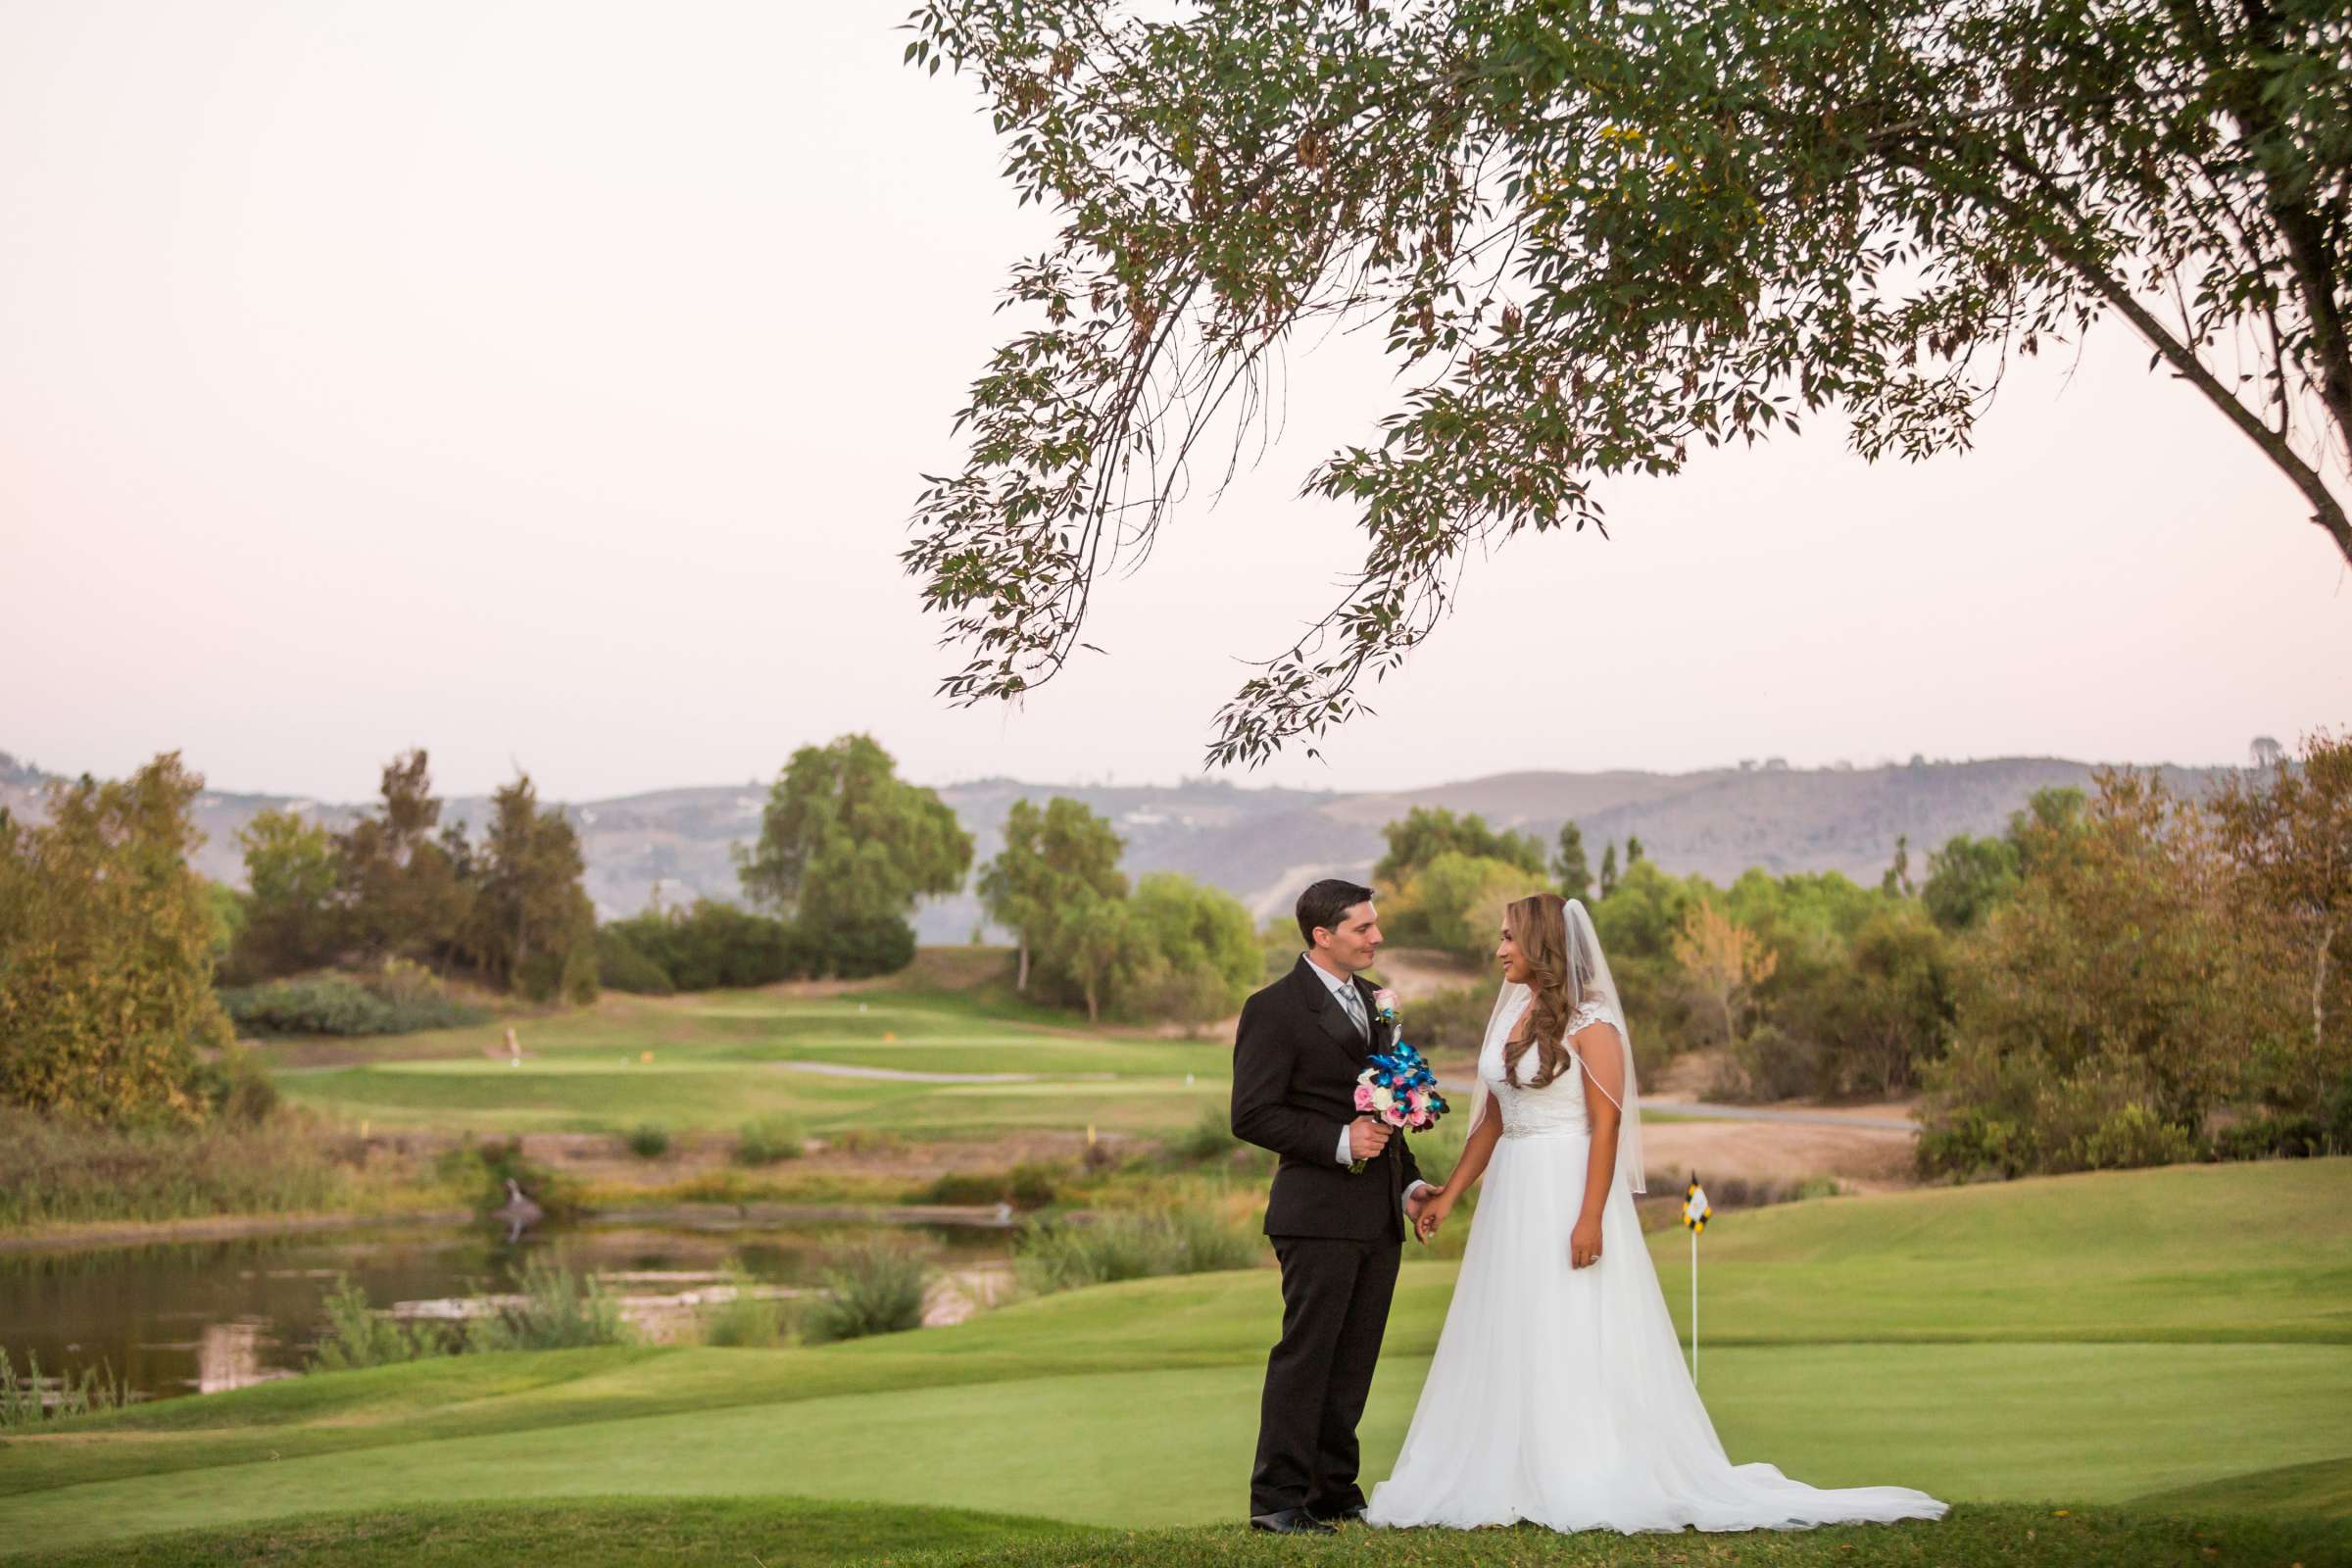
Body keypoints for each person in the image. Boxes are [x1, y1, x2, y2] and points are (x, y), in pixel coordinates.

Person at [1366, 892, 1946, 1534]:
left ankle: (1580, 1468)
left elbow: (1607, 1126)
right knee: (1512, 1316)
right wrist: (1449, 1195)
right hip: (1513, 1190)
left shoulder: (1595, 1025)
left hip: (1569, 1183)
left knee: (1571, 1316)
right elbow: (1494, 1118)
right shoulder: (1511, 1016)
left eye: (1509, 937)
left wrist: (1590, 1218)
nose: (1498, 949)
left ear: (1541, 945)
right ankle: (1510, 1469)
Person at [1230, 879, 1435, 1535]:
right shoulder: (1274, 1008)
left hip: (1377, 1215)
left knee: (1354, 1359)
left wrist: (1409, 1186)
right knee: (1308, 1355)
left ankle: (1333, 1491)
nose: (1376, 938)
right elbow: (1252, 1113)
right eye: (1362, 928)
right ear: (1322, 934)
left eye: (1376, 926)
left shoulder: (1379, 1003)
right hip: (1314, 1214)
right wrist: (1339, 1140)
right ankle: (1277, 1499)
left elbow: (1392, 1105)